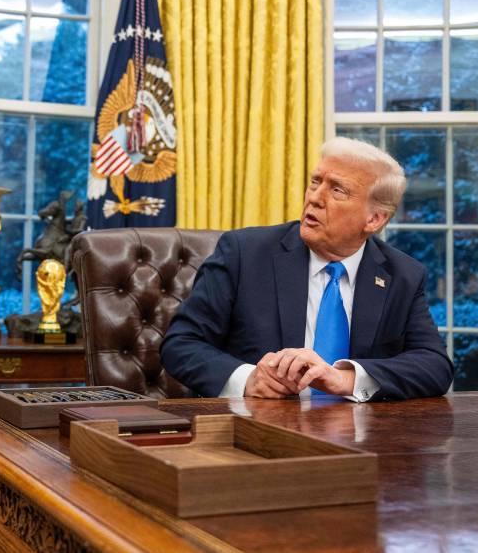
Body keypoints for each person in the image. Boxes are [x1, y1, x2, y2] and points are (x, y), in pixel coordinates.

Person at [160, 137, 453, 401]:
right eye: (315, 182)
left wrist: (346, 379)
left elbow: (434, 365)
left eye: (337, 190)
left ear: (374, 220)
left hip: (360, 440)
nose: (314, 197)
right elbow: (180, 344)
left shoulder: (402, 275)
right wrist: (248, 380)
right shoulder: (244, 253)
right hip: (256, 434)